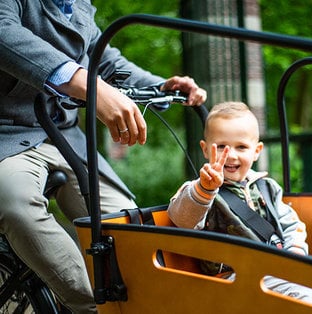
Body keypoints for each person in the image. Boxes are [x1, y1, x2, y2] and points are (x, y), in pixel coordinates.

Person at [0, 0, 206, 313]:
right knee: (15, 204)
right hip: (7, 136)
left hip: (64, 137)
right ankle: (91, 307)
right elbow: (5, 33)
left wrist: (158, 85)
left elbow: (104, 59)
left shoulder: (79, 6)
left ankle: (142, 305)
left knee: (125, 221)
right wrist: (91, 87)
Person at [167, 101, 312, 305]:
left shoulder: (267, 187)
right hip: (231, 278)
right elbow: (182, 219)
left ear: (256, 151)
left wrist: (295, 255)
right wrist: (205, 189)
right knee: (301, 293)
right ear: (205, 149)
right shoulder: (199, 189)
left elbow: (291, 226)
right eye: (221, 146)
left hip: (273, 268)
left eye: (241, 147)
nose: (231, 155)